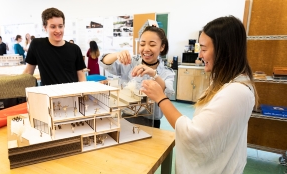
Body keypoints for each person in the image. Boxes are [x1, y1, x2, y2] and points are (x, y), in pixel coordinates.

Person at [141, 16, 258, 173]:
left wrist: (160, 97)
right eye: (142, 44)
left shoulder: (236, 92)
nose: (200, 56)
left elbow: (193, 133)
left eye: (203, 49)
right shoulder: (225, 83)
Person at [99, 26, 175, 128]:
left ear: (162, 47)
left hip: (151, 123)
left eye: (152, 44)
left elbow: (167, 92)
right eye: (142, 44)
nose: (146, 49)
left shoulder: (166, 72)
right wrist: (117, 55)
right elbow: (104, 63)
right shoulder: (131, 63)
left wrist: (154, 74)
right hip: (126, 117)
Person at [23, 8, 86, 85]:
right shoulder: (37, 45)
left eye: (60, 26)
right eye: (53, 27)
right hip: (49, 95)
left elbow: (81, 76)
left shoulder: (74, 49)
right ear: (45, 27)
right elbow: (28, 72)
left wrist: (84, 95)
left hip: (72, 94)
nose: (58, 31)